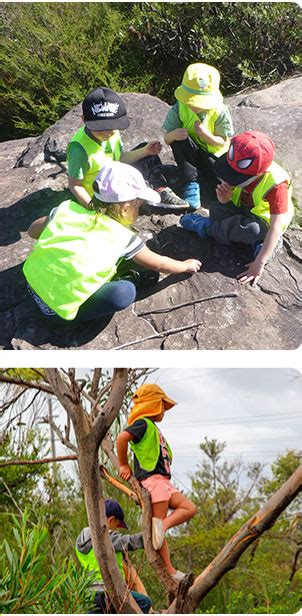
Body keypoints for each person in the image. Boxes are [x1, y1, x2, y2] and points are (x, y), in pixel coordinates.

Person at [23, 161, 201, 322]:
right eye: (138, 206)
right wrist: (185, 265)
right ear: (125, 210)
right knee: (124, 292)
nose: (139, 211)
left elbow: (32, 231)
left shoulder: (68, 211)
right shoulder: (123, 237)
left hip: (31, 284)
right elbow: (160, 264)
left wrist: (56, 222)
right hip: (57, 313)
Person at [180, 130, 295, 287]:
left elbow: (275, 226)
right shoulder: (240, 159)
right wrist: (225, 200)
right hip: (242, 209)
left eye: (236, 176)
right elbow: (231, 202)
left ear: (259, 172)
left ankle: (207, 228)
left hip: (264, 222)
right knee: (217, 210)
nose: (230, 177)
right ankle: (257, 244)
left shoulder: (276, 185)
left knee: (251, 230)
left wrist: (259, 264)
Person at [116, 384, 197, 582]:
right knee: (156, 528)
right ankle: (169, 570)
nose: (163, 410)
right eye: (162, 405)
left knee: (189, 508)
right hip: (153, 481)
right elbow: (121, 438)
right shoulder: (142, 424)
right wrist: (124, 465)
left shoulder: (152, 428)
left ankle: (165, 526)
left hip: (164, 481)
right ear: (152, 404)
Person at [67, 86, 188, 210]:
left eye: (112, 127)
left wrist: (145, 151)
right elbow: (75, 185)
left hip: (115, 178)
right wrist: (92, 208)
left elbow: (119, 159)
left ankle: (159, 189)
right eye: (100, 128)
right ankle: (150, 193)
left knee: (145, 152)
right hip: (103, 196)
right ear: (83, 120)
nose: (107, 133)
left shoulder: (113, 134)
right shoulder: (79, 149)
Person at [162, 63, 234, 209]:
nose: (194, 105)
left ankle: (210, 186)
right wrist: (174, 134)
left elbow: (222, 142)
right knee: (179, 141)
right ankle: (191, 185)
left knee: (221, 186)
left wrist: (206, 135)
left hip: (215, 159)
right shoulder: (179, 108)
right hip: (190, 157)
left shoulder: (220, 111)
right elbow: (167, 139)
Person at [76, 498, 151, 614]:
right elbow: (128, 541)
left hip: (88, 594)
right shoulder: (105, 537)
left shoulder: (81, 539)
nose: (116, 531)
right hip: (109, 592)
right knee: (144, 603)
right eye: (116, 526)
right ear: (110, 520)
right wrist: (150, 535)